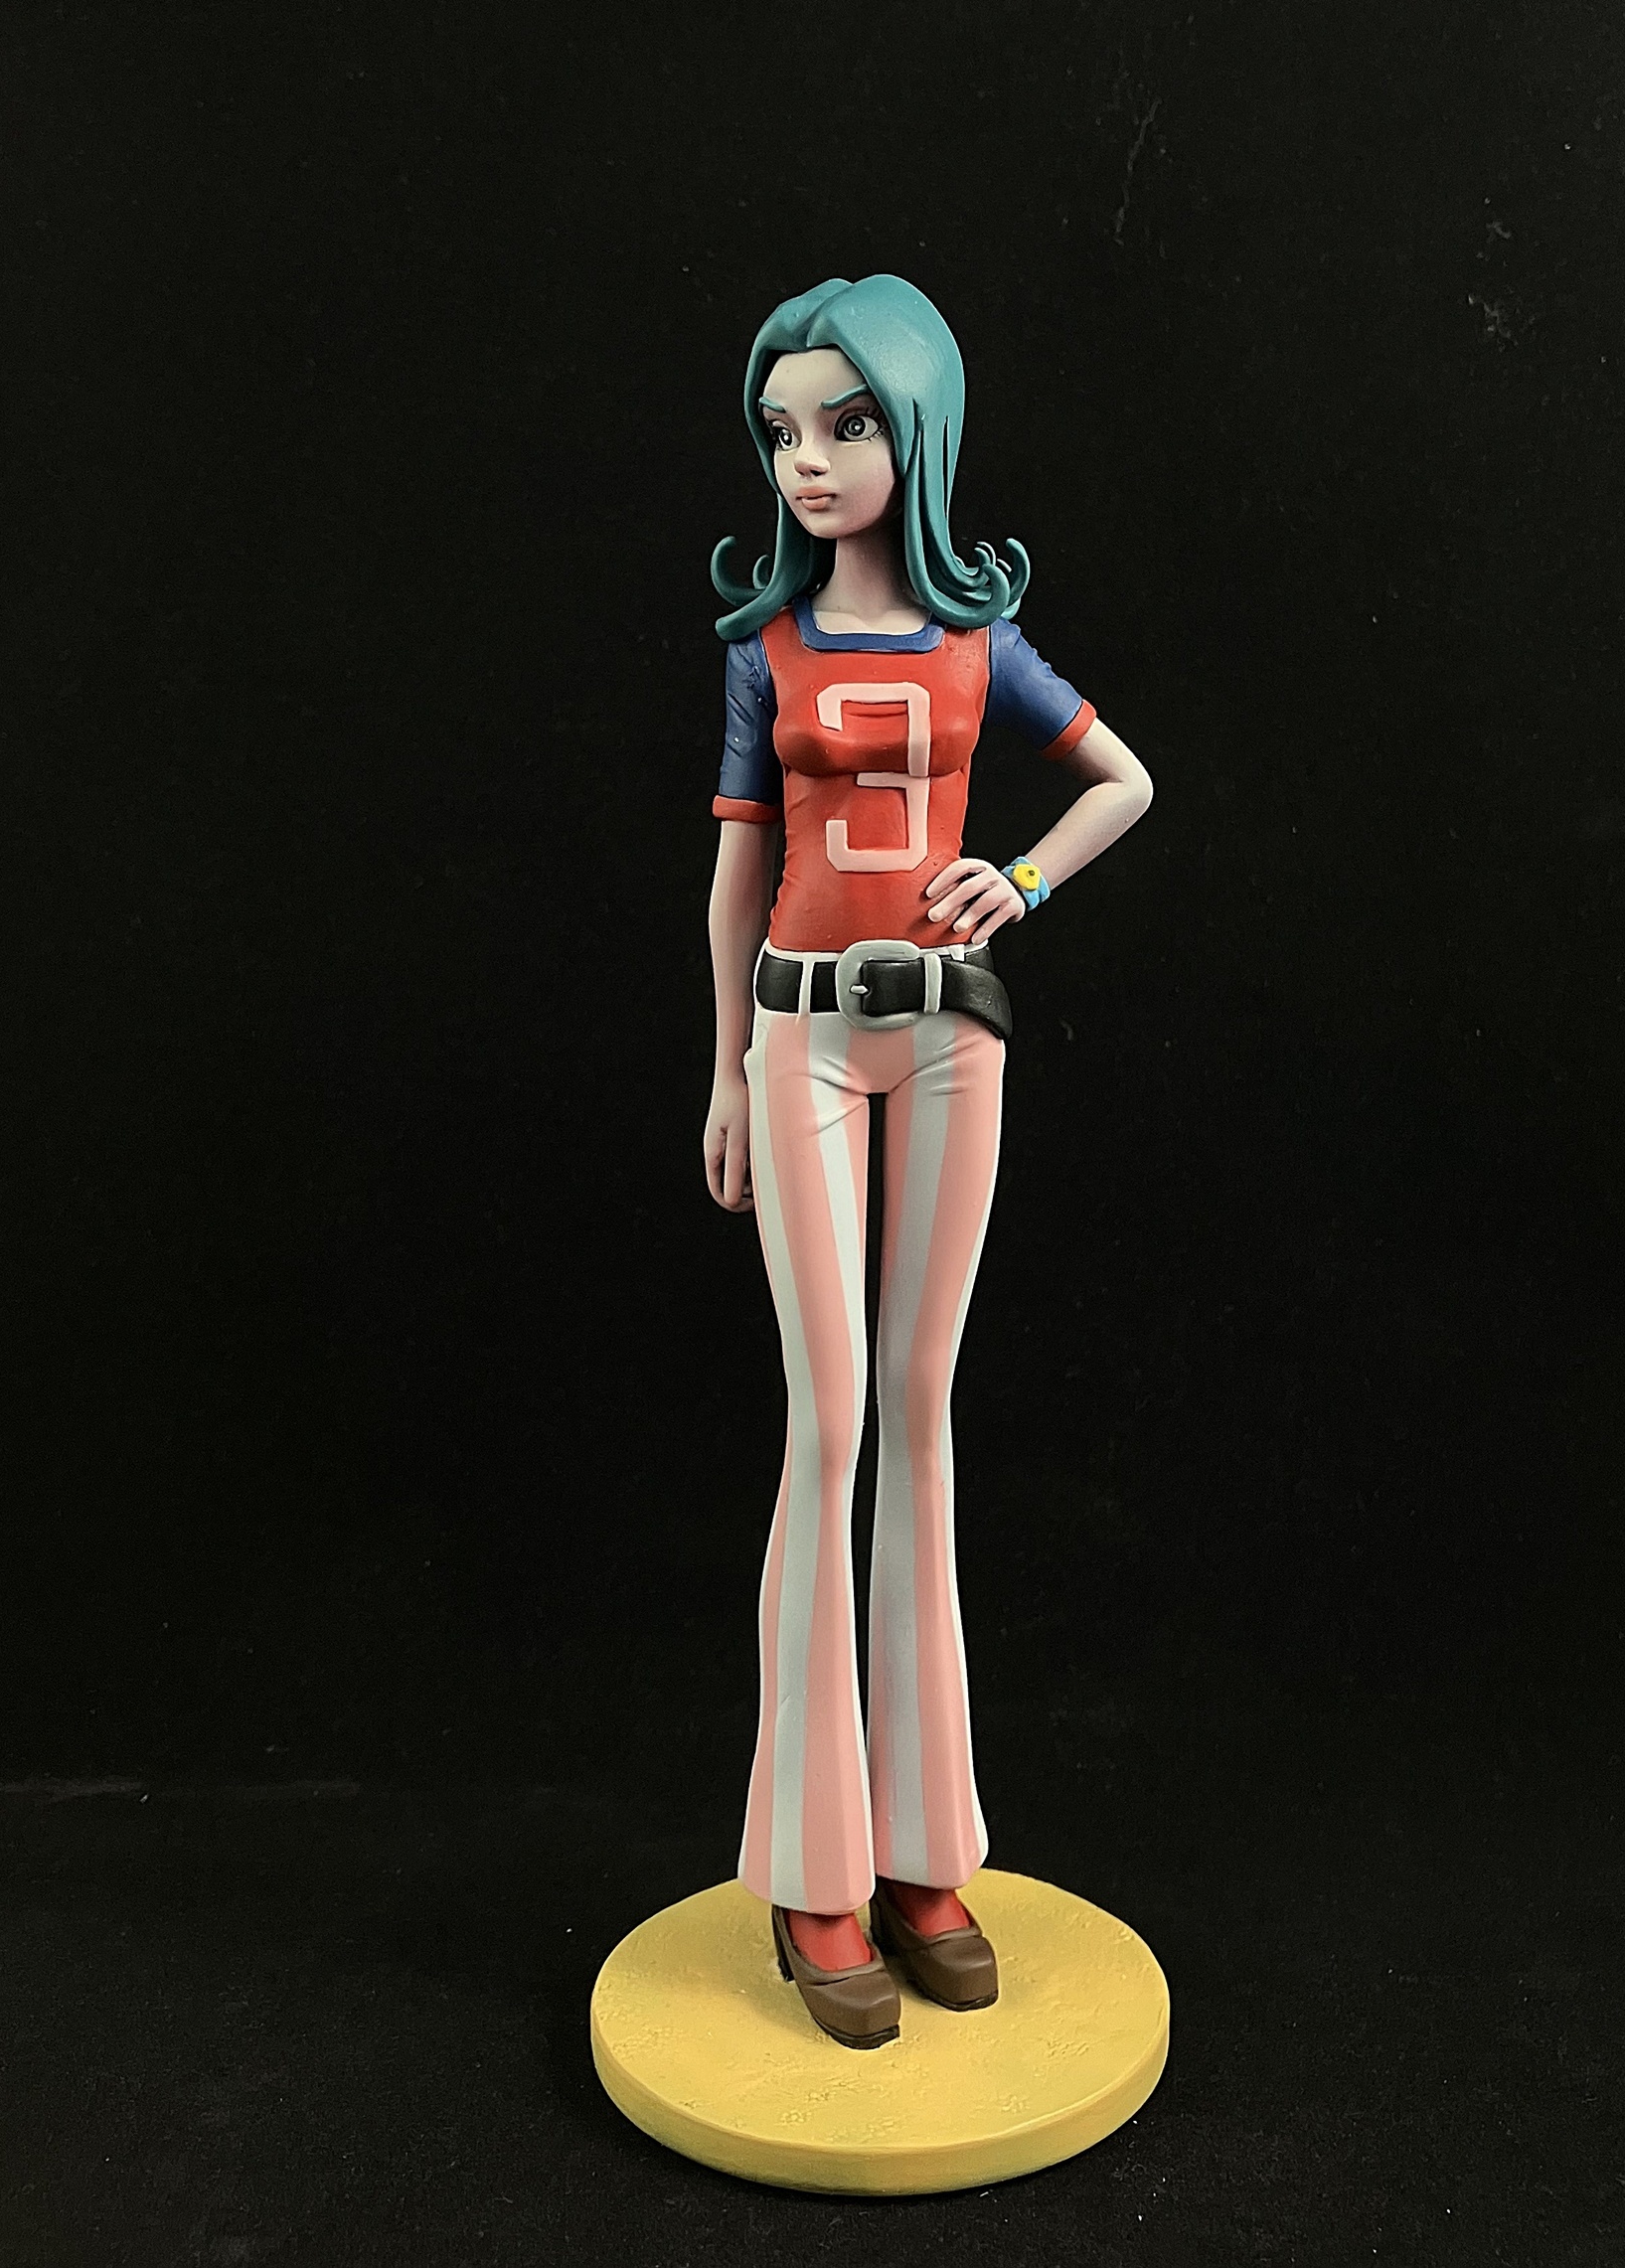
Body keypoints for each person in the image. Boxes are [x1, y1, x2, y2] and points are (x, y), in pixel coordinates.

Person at [702, 275, 1152, 2049]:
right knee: (828, 1424)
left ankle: (923, 1850)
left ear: (919, 428)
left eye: (847, 422)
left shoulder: (981, 642)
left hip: (954, 1025)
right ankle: (814, 1863)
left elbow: (1121, 780)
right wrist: (725, 1068)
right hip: (804, 1028)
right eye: (783, 430)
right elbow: (736, 876)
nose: (809, 460)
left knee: (923, 1415)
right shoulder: (766, 647)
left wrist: (1018, 881)